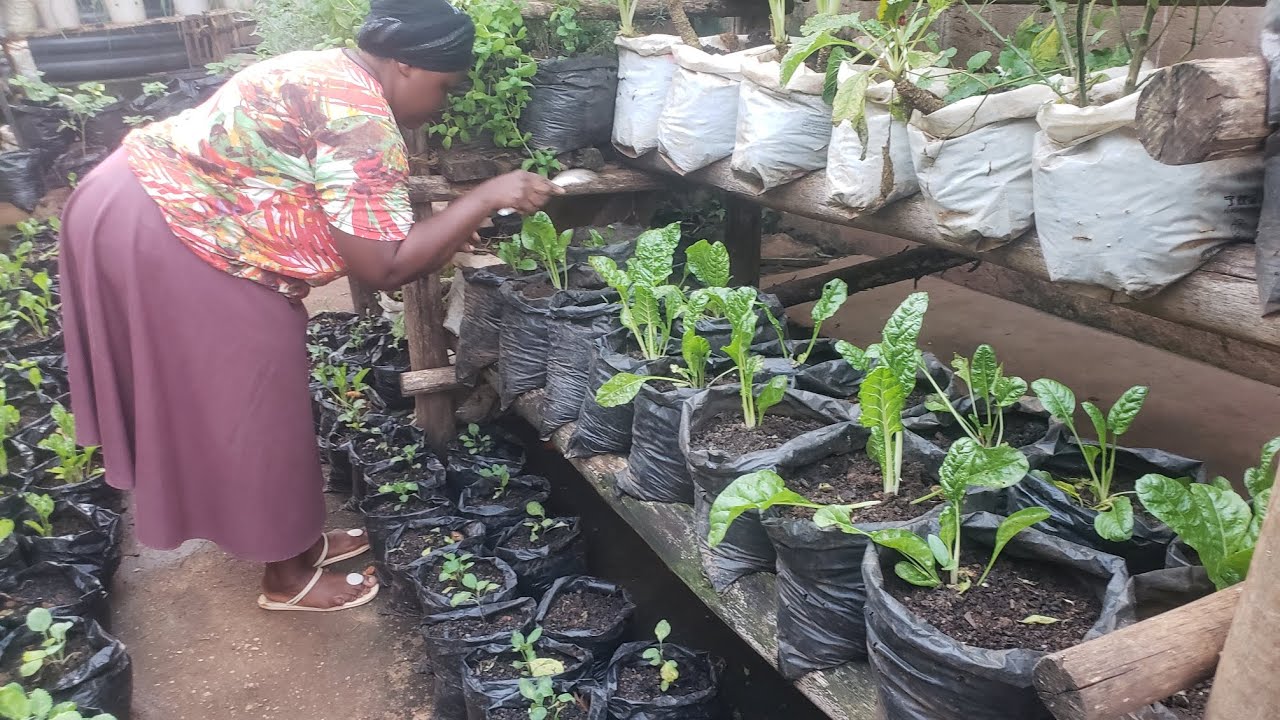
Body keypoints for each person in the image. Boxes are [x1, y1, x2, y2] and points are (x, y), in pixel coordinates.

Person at [58, 0, 562, 612]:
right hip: (170, 227)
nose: (444, 104)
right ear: (404, 66)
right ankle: (285, 578)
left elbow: (351, 207)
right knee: (255, 403)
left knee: (255, 394)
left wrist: (454, 226)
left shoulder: (335, 71)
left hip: (136, 200)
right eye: (445, 87)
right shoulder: (361, 116)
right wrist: (485, 197)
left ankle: (296, 542)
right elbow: (384, 268)